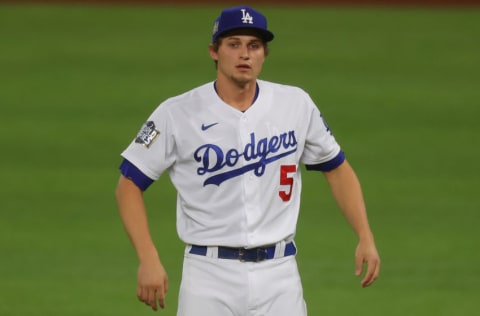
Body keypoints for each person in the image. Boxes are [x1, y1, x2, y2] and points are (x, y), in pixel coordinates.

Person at [115, 5, 380, 316]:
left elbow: (336, 168)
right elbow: (129, 183)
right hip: (208, 276)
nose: (245, 54)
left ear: (264, 54)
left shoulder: (295, 104)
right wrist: (148, 258)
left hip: (280, 275)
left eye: (254, 46)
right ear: (214, 52)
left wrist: (365, 234)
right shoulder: (176, 113)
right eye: (234, 44)